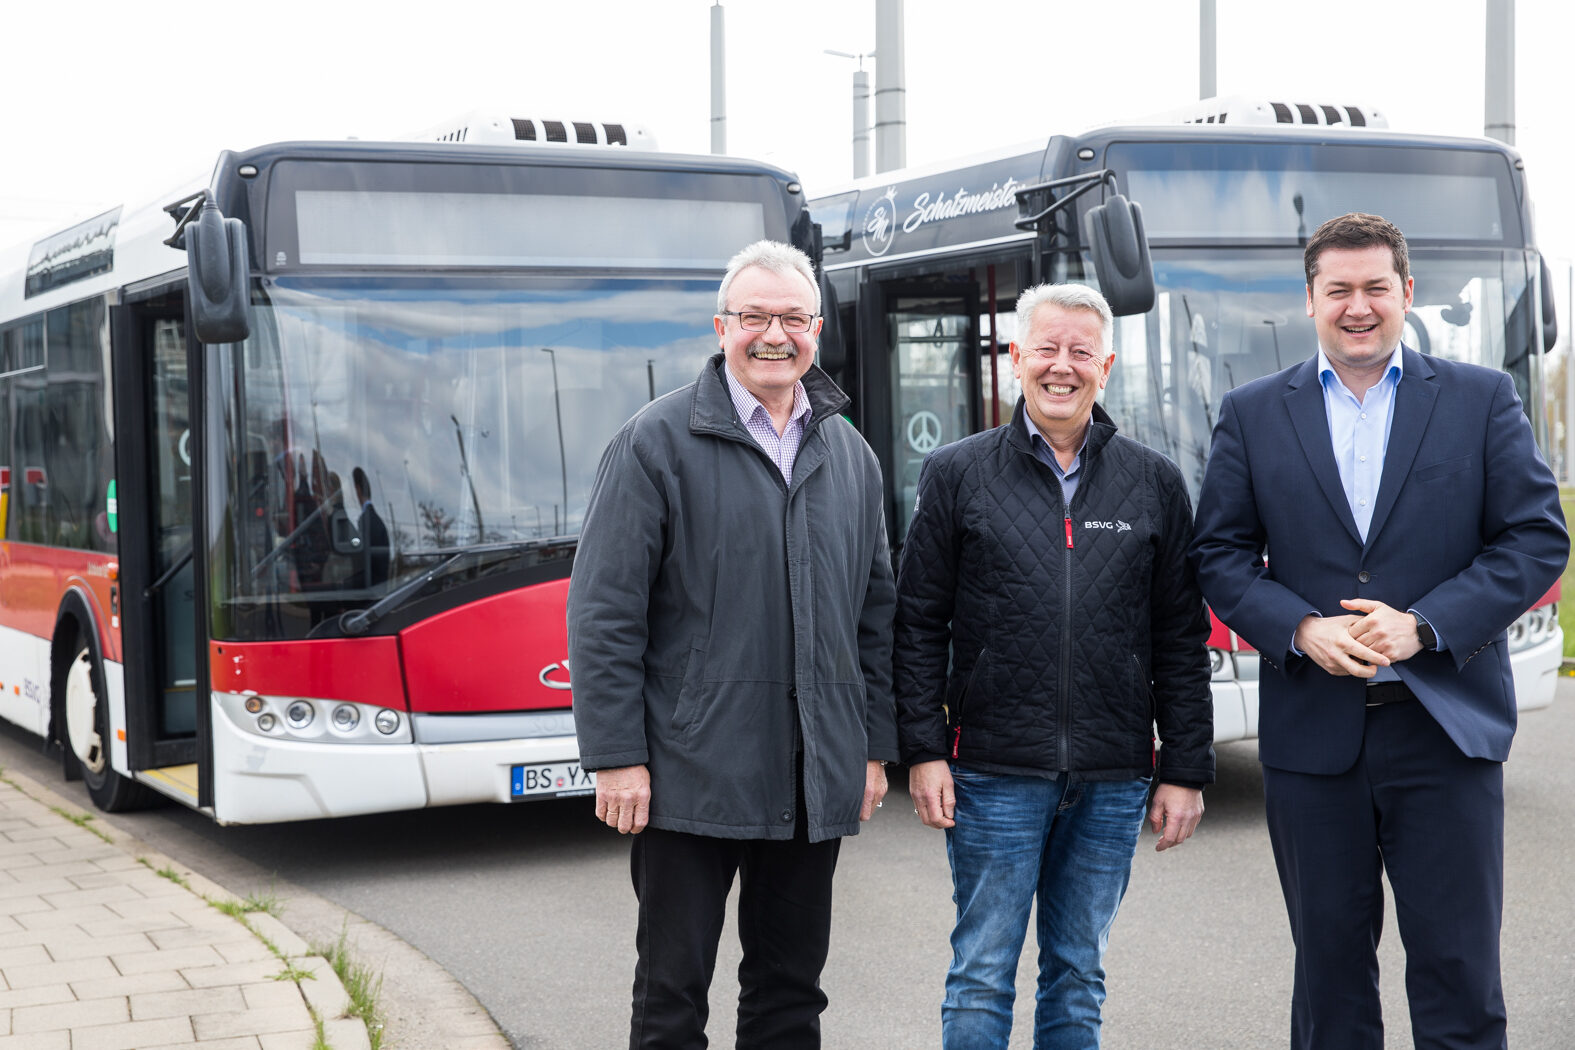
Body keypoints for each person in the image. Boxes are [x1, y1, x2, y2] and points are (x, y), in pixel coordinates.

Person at [1189, 213, 1568, 1050]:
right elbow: (1215, 555)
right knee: (1328, 988)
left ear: (1404, 293)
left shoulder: (1478, 399)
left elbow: (1536, 538)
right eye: (1337, 291)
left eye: (1373, 288)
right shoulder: (1252, 413)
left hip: (1445, 733)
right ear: (1310, 300)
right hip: (1311, 747)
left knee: (1460, 978)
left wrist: (1424, 626)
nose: (1356, 307)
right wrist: (1297, 629)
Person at [566, 239, 897, 1049]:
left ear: (817, 330)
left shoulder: (848, 453)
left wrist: (872, 748)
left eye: (792, 317)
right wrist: (615, 755)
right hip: (687, 778)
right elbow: (604, 612)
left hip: (810, 771)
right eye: (754, 317)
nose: (773, 334)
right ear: (722, 326)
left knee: (790, 996)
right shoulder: (654, 442)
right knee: (672, 998)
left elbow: (875, 616)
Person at [895, 282, 1214, 1049]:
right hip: (992, 772)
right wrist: (923, 752)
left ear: (1104, 366)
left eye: (1079, 352)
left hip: (1111, 774)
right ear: (1015, 359)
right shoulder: (955, 473)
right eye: (1045, 349)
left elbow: (1179, 635)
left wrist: (1186, 768)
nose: (1060, 367)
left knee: (1078, 972)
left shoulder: (1153, 482)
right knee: (981, 969)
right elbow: (914, 625)